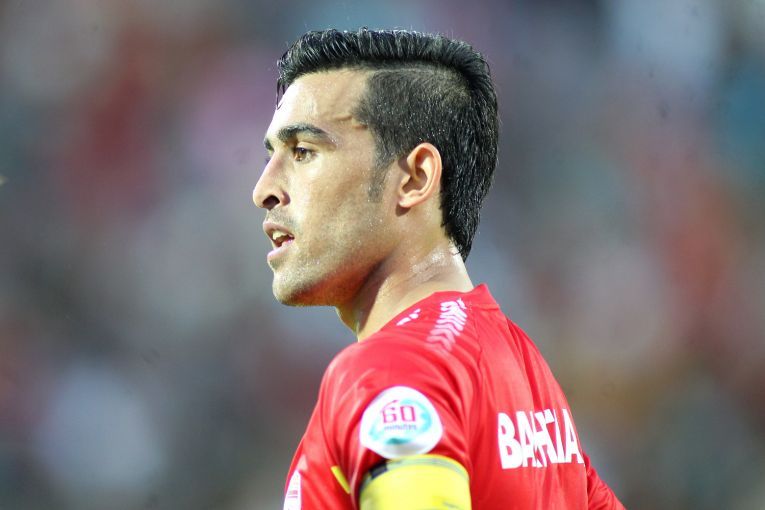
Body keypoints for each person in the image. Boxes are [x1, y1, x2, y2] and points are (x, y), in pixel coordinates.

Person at [253, 28, 625, 510]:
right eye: (272, 156)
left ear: (415, 177)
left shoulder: (390, 371)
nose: (263, 190)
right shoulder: (528, 379)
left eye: (303, 151)